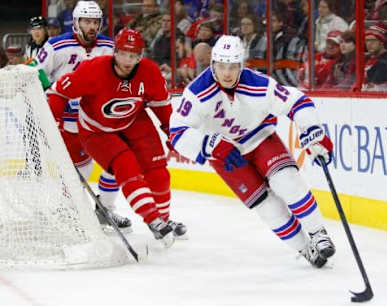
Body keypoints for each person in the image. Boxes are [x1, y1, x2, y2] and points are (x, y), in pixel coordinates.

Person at [169, 35, 335, 267]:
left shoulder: (259, 84)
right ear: (212, 64)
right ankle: (305, 248)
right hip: (224, 154)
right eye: (221, 66)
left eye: (233, 67)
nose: (227, 73)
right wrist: (209, 144)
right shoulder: (196, 92)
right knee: (267, 206)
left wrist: (312, 130)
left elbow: (297, 102)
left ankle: (318, 233)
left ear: (241, 65)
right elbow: (177, 132)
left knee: (287, 181)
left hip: (260, 137)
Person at [47, 29, 187, 245]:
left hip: (133, 120)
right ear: (115, 52)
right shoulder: (93, 69)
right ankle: (153, 220)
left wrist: (172, 132)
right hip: (96, 129)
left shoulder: (149, 72)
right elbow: (58, 92)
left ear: (140, 56)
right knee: (126, 165)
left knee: (159, 174)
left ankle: (164, 221)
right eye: (123, 54)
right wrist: (53, 123)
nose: (127, 60)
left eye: (133, 55)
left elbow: (162, 105)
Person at [36, 0, 131, 231]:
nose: (91, 26)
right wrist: (50, 98)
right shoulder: (57, 46)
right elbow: (36, 73)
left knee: (117, 163)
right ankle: (70, 210)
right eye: (87, 21)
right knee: (79, 172)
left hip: (100, 123)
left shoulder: (110, 47)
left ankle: (105, 210)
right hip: (68, 124)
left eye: (95, 22)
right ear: (76, 22)